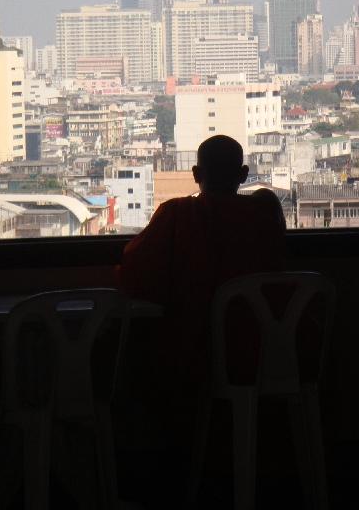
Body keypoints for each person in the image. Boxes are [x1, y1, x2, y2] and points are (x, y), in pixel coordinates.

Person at [116, 134, 286, 409]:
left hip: (198, 354)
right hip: (270, 349)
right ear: (243, 174)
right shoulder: (264, 216)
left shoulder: (177, 215)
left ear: (196, 174)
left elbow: (135, 275)